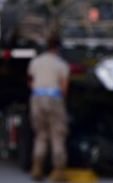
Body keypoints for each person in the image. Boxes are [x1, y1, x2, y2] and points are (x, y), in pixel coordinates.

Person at [27, 35, 70, 182]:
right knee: (57, 134)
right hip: (54, 98)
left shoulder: (36, 62)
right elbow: (64, 87)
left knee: (41, 135)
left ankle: (37, 168)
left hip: (37, 98)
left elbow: (30, 81)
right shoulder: (61, 64)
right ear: (58, 48)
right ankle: (58, 171)